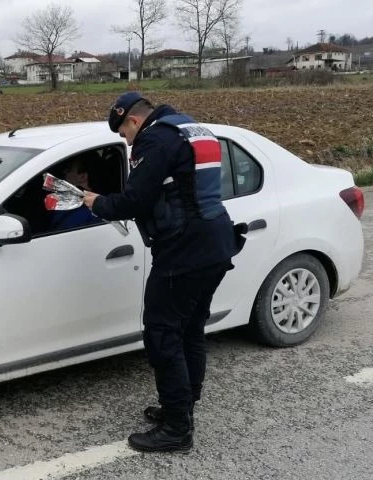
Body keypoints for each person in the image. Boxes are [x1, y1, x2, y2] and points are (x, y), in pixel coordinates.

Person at [82, 91, 244, 453]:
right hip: (217, 240)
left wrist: (96, 202)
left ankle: (177, 429)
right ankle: (183, 406)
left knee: (161, 333)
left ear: (134, 121)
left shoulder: (154, 140)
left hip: (184, 251)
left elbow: (133, 201)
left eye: (124, 134)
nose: (126, 141)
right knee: (189, 328)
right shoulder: (192, 127)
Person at [48, 156, 102, 231]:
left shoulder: (90, 213)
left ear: (82, 177)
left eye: (68, 169)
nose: (64, 172)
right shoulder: (68, 201)